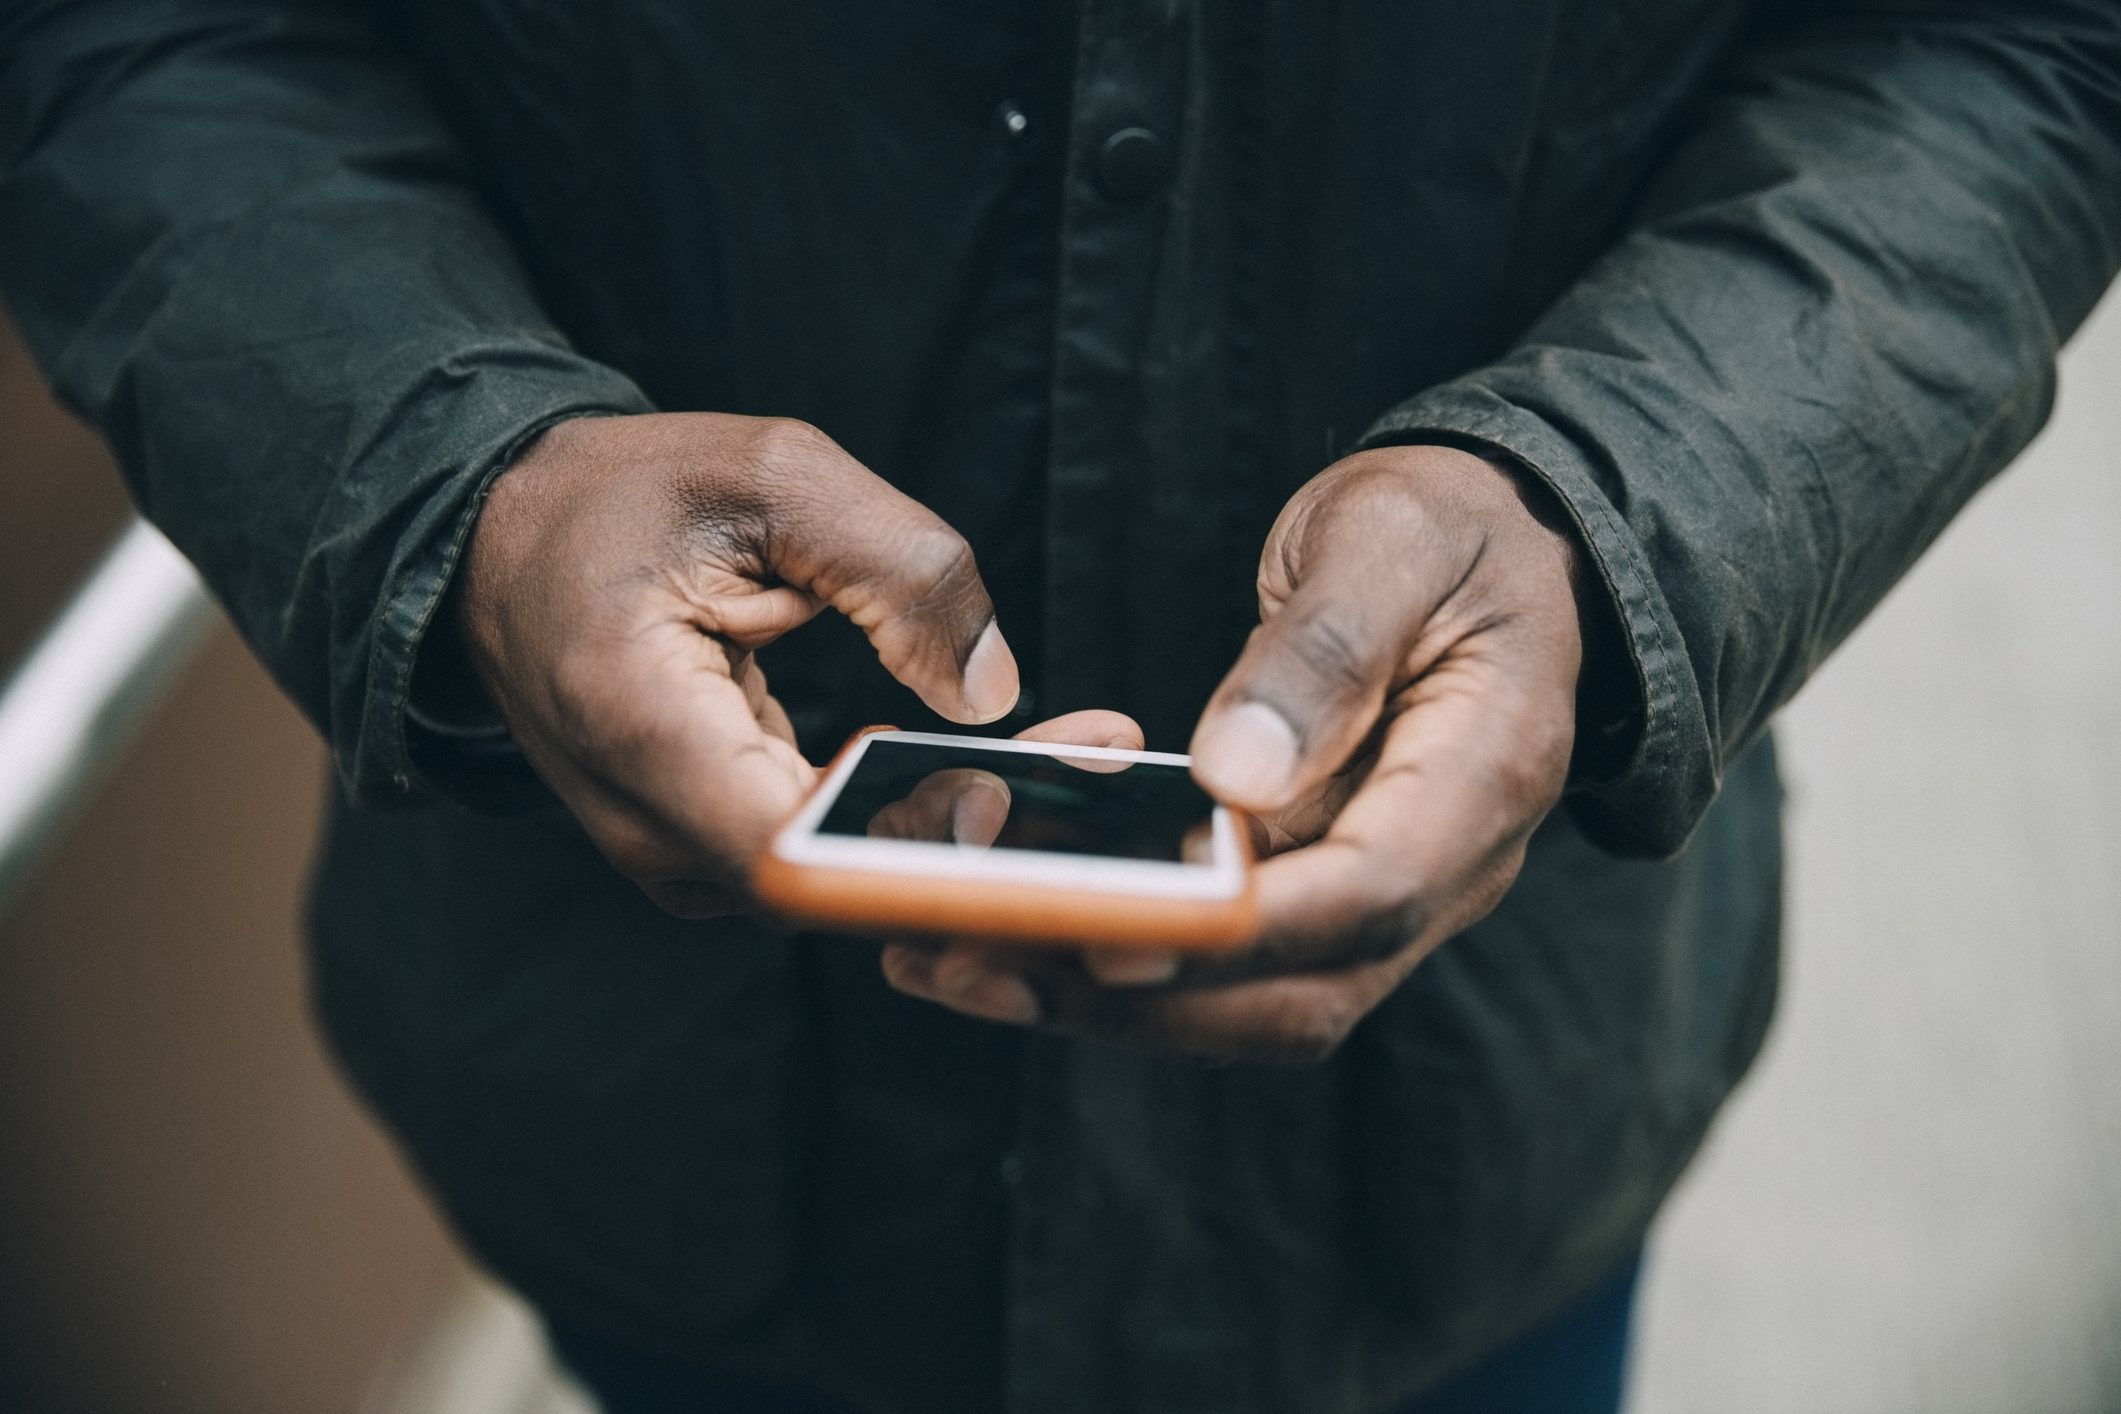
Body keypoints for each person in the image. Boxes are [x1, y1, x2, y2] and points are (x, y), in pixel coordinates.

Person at [2, 3, 2115, 1411]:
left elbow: (2007, 42)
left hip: (1465, 1137)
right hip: (670, 1138)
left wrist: (1616, 512)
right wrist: (448, 482)